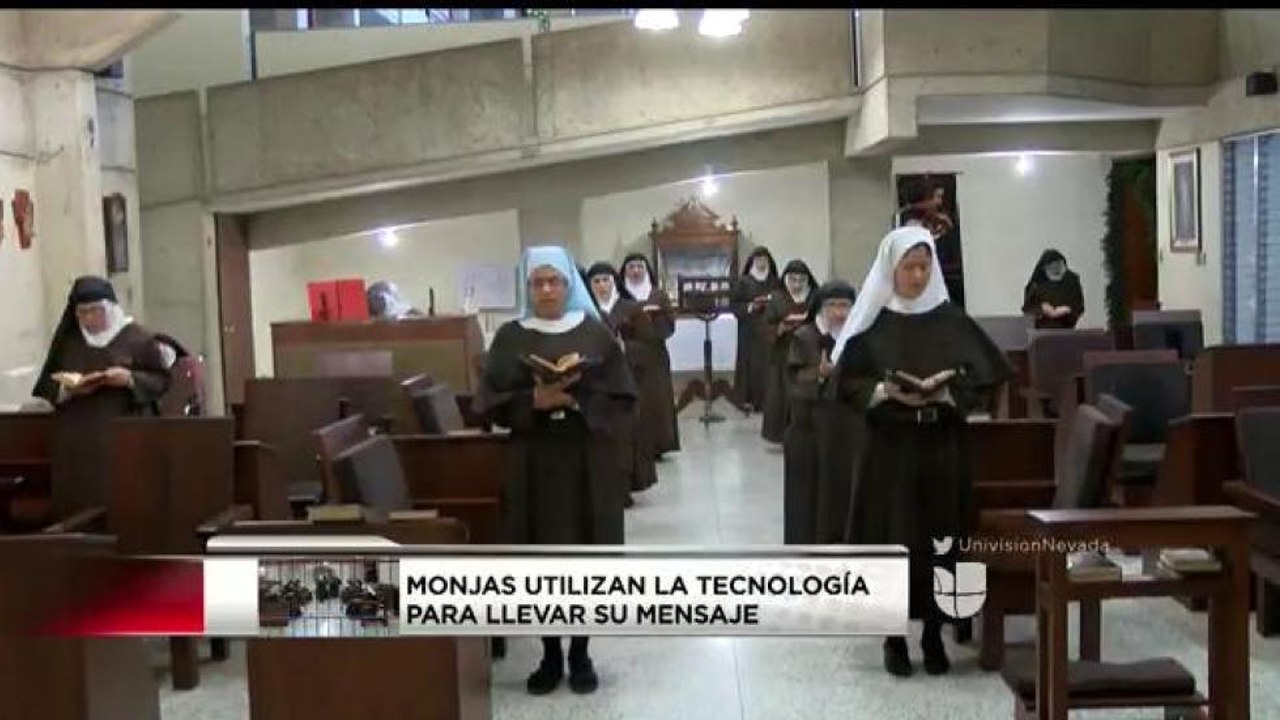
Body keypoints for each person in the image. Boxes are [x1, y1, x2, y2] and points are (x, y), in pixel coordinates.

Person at [831, 227, 1010, 677]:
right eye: (909, 267)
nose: (917, 275)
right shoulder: (875, 321)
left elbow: (986, 374)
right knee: (893, 540)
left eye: (924, 267)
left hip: (940, 446)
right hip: (889, 450)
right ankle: (894, 639)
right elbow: (846, 382)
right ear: (891, 269)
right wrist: (881, 390)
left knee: (940, 539)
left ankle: (934, 633)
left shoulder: (949, 318)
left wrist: (947, 394)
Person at [475, 246, 636, 696]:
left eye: (555, 281)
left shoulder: (596, 334)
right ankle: (549, 653)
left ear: (570, 285)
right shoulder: (510, 337)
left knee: (587, 553)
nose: (547, 290)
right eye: (537, 282)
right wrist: (533, 402)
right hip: (533, 461)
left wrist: (576, 399)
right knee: (539, 555)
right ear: (527, 287)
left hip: (586, 459)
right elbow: (486, 402)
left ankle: (581, 651)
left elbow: (624, 398)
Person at [31, 276, 172, 515]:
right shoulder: (70, 342)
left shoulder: (137, 338)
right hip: (77, 442)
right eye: (81, 313)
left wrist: (129, 379)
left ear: (110, 309)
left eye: (94, 311)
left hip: (123, 435)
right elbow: (46, 384)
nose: (88, 319)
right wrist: (68, 389)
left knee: (122, 501)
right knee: (78, 506)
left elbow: (162, 380)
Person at [783, 280, 858, 545]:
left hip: (847, 429)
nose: (839, 312)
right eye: (832, 305)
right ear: (821, 307)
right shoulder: (804, 336)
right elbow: (792, 381)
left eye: (845, 305)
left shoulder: (857, 336)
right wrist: (820, 375)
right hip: (811, 430)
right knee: (810, 498)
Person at [586, 261, 658, 506]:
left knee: (626, 438)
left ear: (614, 281)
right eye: (596, 281)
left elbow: (647, 342)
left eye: (605, 280)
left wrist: (624, 347)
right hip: (597, 385)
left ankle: (625, 487)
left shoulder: (631, 308)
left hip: (626, 382)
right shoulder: (587, 311)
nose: (601, 285)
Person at [619, 253, 680, 457]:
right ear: (625, 271)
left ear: (646, 270)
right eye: (631, 267)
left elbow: (670, 324)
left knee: (657, 400)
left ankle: (658, 445)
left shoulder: (658, 294)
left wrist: (654, 319)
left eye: (640, 267)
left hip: (655, 355)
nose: (636, 271)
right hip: (628, 354)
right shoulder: (620, 296)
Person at [761, 259, 817, 445]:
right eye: (793, 280)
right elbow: (766, 325)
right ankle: (780, 434)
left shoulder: (814, 296)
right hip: (783, 353)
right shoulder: (777, 297)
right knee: (781, 394)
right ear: (786, 279)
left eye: (801, 280)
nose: (797, 284)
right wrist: (780, 328)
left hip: (807, 353)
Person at [730, 247, 781, 412]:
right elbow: (735, 305)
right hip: (749, 331)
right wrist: (752, 305)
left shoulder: (775, 281)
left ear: (769, 261)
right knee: (750, 366)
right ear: (752, 261)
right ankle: (748, 400)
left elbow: (782, 301)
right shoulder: (744, 281)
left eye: (764, 259)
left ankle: (769, 401)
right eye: (758, 259)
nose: (761, 262)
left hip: (770, 329)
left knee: (769, 365)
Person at [1022, 249, 1085, 329]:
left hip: (1065, 328)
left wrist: (1067, 310)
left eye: (1058, 266)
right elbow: (1027, 308)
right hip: (1041, 330)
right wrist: (1042, 309)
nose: (1055, 270)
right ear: (1044, 268)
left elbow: (1079, 306)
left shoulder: (1072, 281)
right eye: (1052, 267)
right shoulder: (1036, 283)